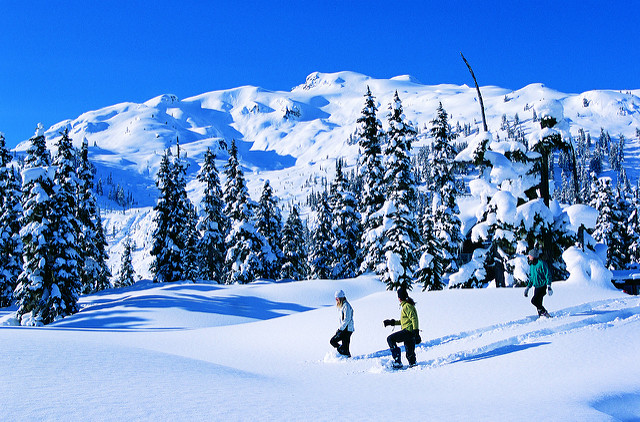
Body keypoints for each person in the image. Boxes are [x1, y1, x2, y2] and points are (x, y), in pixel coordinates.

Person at [383, 287, 421, 368]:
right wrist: (391, 322)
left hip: (408, 331)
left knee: (390, 339)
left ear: (400, 298)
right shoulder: (408, 305)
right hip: (411, 332)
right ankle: (413, 364)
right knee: (409, 352)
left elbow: (414, 318)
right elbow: (404, 321)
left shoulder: (406, 306)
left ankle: (397, 361)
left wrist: (416, 331)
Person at [524, 249, 553, 317]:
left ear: (533, 256)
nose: (528, 256)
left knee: (534, 301)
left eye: (530, 255)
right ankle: (542, 316)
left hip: (542, 286)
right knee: (539, 303)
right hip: (536, 287)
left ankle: (544, 313)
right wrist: (528, 288)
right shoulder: (532, 265)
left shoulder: (541, 263)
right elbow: (531, 278)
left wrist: (549, 286)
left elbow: (548, 274)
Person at [330, 290, 354, 357]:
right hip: (345, 329)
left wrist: (340, 329)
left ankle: (344, 354)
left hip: (347, 329)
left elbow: (347, 319)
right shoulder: (342, 305)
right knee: (345, 347)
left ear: (340, 298)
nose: (336, 300)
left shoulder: (346, 306)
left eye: (337, 299)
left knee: (333, 341)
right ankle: (344, 354)